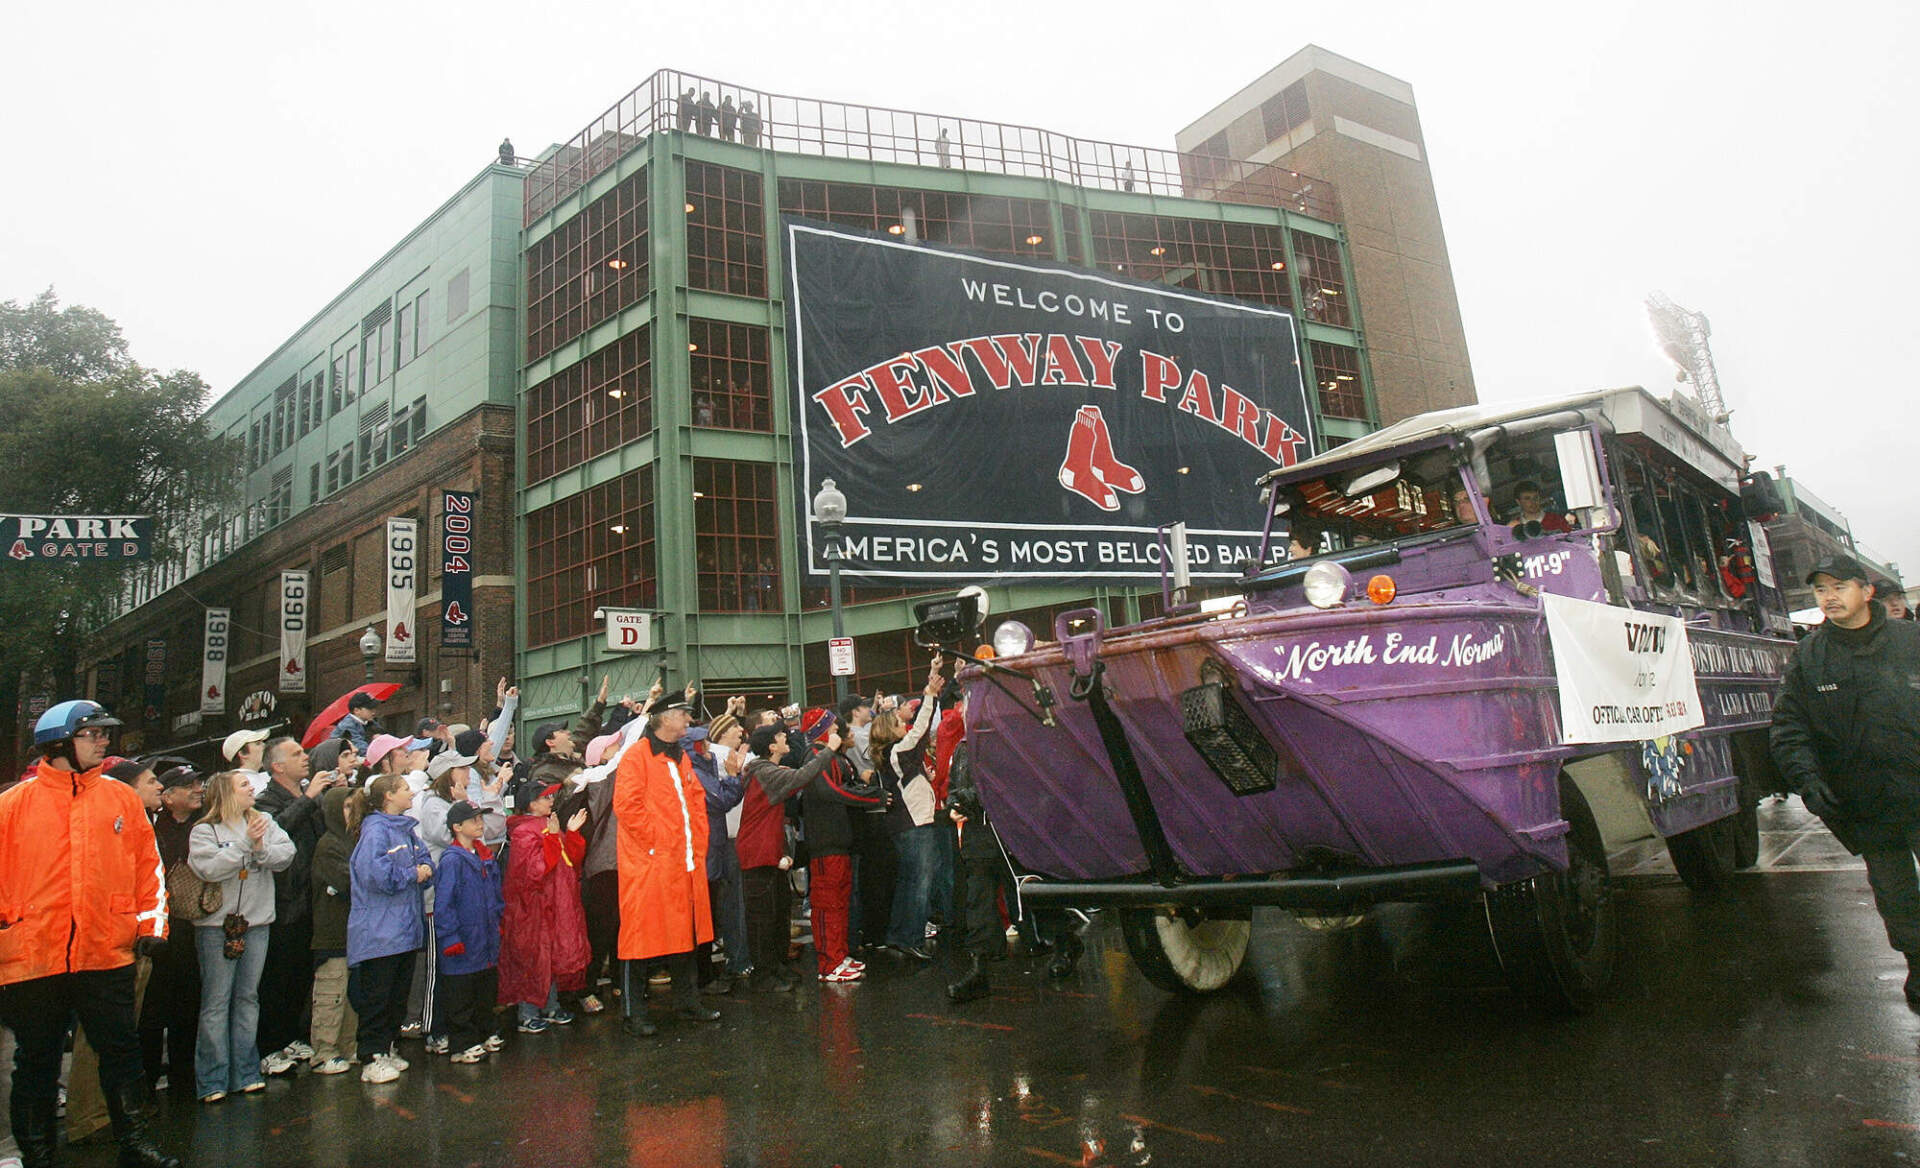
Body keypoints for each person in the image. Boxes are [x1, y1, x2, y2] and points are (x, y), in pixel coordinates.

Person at [0, 700, 178, 1168]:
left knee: (120, 1053)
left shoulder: (121, 798)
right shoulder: (12, 806)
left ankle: (134, 1143)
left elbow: (149, 868)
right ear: (58, 743)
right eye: (92, 734)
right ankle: (38, 1155)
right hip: (33, 958)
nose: (104, 741)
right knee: (36, 1061)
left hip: (106, 953)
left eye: (104, 733)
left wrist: (151, 925)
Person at [1772, 555, 1920, 1008]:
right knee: (1895, 894)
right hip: (1867, 801)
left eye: (1839, 587)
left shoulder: (1911, 641)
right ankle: (1918, 962)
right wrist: (1809, 782)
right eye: (1820, 590)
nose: (1829, 597)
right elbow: (1789, 726)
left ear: (1866, 591)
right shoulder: (1810, 656)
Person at [615, 690, 722, 1035]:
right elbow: (628, 808)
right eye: (684, 715)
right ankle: (634, 1013)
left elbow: (696, 801)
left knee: (685, 934)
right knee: (640, 937)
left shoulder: (681, 757)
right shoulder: (636, 757)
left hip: (683, 863)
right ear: (665, 717)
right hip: (651, 866)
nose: (688, 721)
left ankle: (687, 1001)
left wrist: (696, 846)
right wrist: (657, 845)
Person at [186, 769, 296, 1102]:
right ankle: (212, 1079)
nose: (251, 788)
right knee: (217, 1002)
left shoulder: (263, 819)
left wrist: (261, 849)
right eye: (243, 785)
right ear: (225, 793)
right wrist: (246, 845)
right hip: (217, 927)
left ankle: (246, 1071)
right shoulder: (204, 830)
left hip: (258, 922)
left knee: (248, 998)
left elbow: (285, 854)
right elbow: (208, 868)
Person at [254, 737, 338, 1074]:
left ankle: (291, 1035)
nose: (305, 758)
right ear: (276, 766)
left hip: (311, 896)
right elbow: (278, 829)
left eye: (304, 753)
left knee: (302, 973)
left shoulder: (308, 795)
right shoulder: (265, 800)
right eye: (296, 754)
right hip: (284, 899)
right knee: (278, 976)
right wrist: (309, 798)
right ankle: (269, 1045)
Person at [739, 724, 841, 990]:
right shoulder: (766, 772)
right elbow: (801, 777)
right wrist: (829, 750)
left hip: (768, 852)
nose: (787, 738)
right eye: (781, 736)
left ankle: (776, 967)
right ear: (772, 747)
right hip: (759, 854)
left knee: (777, 913)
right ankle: (764, 975)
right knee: (763, 918)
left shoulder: (764, 770)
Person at [346, 774, 433, 1084]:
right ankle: (370, 1055)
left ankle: (387, 1047)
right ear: (389, 797)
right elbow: (376, 875)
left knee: (397, 994)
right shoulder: (375, 832)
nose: (412, 793)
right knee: (377, 995)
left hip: (406, 928)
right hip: (380, 931)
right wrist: (413, 873)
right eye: (406, 789)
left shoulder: (406, 830)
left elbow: (427, 861)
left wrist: (422, 870)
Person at [800, 713, 886, 982]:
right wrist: (870, 798)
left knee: (838, 903)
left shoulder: (829, 757)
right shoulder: (817, 757)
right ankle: (829, 962)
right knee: (828, 905)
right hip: (826, 842)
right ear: (823, 731)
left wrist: (866, 795)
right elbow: (831, 792)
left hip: (838, 840)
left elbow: (841, 789)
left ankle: (837, 954)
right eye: (834, 726)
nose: (839, 729)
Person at [499, 780, 589, 1034]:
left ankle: (550, 1005)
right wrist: (553, 837)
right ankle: (527, 1013)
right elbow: (533, 871)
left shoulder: (547, 826)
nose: (551, 801)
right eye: (546, 797)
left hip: (556, 902)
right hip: (534, 906)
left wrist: (571, 834)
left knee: (551, 955)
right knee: (532, 957)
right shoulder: (523, 832)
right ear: (531, 802)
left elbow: (569, 861)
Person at [140, 764, 206, 1097]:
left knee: (188, 1006)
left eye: (198, 783)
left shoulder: (205, 825)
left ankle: (184, 1080)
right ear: (168, 796)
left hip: (193, 928)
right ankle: (147, 1083)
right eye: (188, 785)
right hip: (158, 931)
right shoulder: (150, 828)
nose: (197, 788)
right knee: (152, 1012)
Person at [404, 749, 475, 1054]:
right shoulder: (434, 804)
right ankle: (432, 1028)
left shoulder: (447, 802)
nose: (468, 773)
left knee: (451, 965)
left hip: (453, 895)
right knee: (435, 966)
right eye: (463, 768)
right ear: (450, 775)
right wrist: (462, 806)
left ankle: (444, 1023)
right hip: (435, 899)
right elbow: (452, 835)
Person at [876, 658, 947, 960]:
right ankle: (911, 936)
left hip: (905, 823)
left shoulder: (893, 755)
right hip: (914, 822)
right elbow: (919, 731)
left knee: (908, 881)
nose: (903, 725)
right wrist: (930, 692)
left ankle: (899, 934)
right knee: (921, 880)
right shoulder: (897, 751)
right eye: (897, 723)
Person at [434, 801, 504, 1064]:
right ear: (457, 827)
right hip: (464, 938)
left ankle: (485, 1031)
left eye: (480, 819)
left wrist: (498, 921)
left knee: (484, 989)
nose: (479, 823)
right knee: (460, 992)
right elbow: (445, 903)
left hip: (484, 937)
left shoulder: (482, 855)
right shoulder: (452, 860)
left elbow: (495, 895)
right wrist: (450, 937)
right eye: (473, 820)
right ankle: (462, 1042)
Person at [685, 725, 746, 993]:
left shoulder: (701, 769)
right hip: (705, 853)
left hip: (712, 849)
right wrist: (733, 777)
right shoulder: (696, 772)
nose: (708, 747)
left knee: (707, 914)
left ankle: (704, 973)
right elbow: (721, 800)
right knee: (702, 916)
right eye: (703, 744)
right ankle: (702, 976)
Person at [306, 787, 358, 1075]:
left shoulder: (353, 840)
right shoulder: (328, 845)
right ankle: (323, 1050)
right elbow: (347, 881)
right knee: (331, 993)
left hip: (354, 932)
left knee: (351, 996)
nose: (351, 812)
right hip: (332, 931)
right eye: (347, 807)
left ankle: (347, 1046)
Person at [222, 728, 270, 795]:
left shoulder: (268, 775)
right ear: (242, 754)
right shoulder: (233, 785)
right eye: (258, 743)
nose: (264, 745)